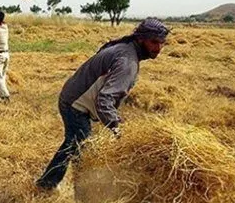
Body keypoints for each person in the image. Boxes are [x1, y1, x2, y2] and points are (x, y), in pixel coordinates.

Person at [35, 18, 170, 191]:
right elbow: (104, 99)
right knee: (82, 151)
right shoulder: (127, 61)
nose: (158, 48)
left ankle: (49, 184)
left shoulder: (126, 49)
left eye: (161, 43)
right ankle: (76, 193)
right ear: (141, 39)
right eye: (153, 42)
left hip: (73, 97)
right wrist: (118, 129)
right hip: (76, 104)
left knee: (74, 145)